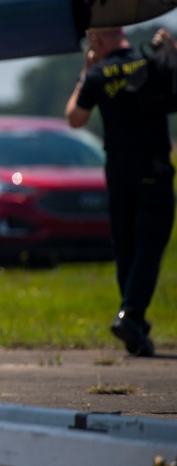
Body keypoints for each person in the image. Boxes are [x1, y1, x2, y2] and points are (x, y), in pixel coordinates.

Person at [66, 26, 175, 356]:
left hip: (118, 171)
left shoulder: (98, 75)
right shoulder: (150, 63)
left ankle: (135, 325)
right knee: (150, 245)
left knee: (125, 245)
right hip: (152, 166)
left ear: (96, 40)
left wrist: (84, 73)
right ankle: (131, 315)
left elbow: (75, 118)